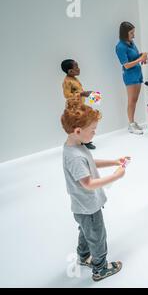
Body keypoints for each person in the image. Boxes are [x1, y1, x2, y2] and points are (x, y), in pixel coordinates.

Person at [61, 98, 129, 281]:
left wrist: (114, 161)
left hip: (82, 207)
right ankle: (99, 268)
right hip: (88, 207)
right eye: (92, 131)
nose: (94, 133)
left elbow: (90, 162)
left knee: (85, 231)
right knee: (97, 236)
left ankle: (83, 256)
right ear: (78, 131)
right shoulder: (74, 156)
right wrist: (116, 176)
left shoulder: (76, 146)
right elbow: (88, 184)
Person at [115, 21, 148, 135]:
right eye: (131, 33)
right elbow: (126, 65)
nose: (134, 35)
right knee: (131, 101)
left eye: (133, 32)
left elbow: (135, 56)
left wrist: (142, 56)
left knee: (135, 100)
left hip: (138, 73)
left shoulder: (131, 43)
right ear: (125, 33)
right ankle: (131, 124)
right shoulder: (120, 47)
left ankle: (133, 122)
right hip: (130, 75)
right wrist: (140, 59)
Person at [61, 59, 96, 149]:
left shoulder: (74, 78)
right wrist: (81, 94)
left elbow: (78, 91)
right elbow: (67, 95)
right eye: (76, 67)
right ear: (70, 71)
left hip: (80, 104)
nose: (79, 69)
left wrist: (87, 94)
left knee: (83, 123)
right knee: (78, 124)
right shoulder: (67, 81)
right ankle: (79, 142)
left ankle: (83, 141)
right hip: (73, 107)